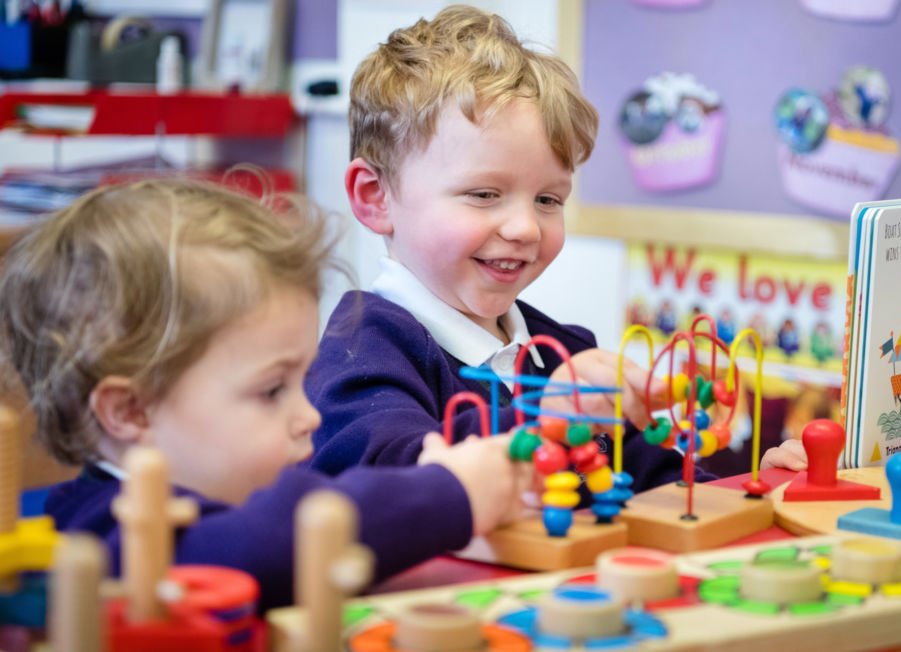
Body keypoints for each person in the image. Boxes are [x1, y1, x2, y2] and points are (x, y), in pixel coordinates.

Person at [0, 179, 524, 611]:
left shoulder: (230, 487)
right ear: (130, 410)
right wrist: (446, 494)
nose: (308, 417)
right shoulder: (105, 535)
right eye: (272, 390)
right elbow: (269, 541)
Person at [307, 4, 712, 494]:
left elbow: (668, 487)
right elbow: (396, 484)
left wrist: (768, 481)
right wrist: (547, 421)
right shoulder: (361, 357)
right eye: (483, 194)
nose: (525, 228)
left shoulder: (565, 354)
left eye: (548, 200)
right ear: (376, 197)